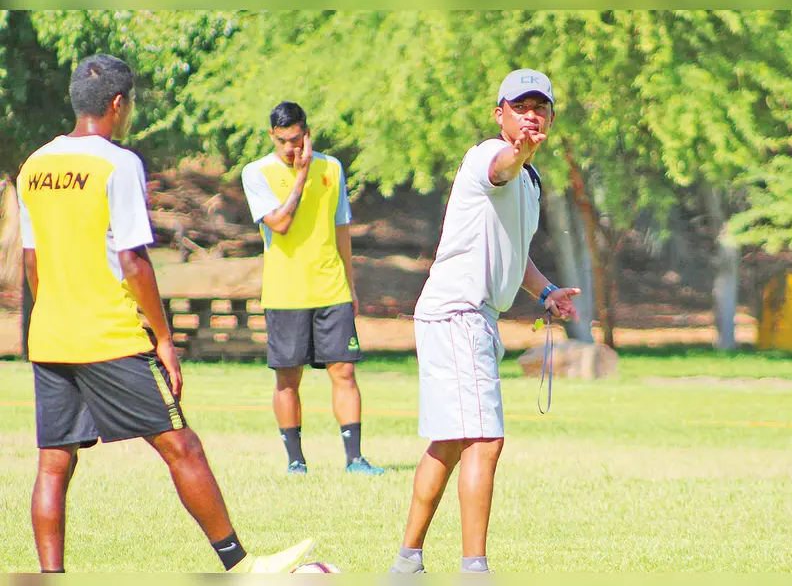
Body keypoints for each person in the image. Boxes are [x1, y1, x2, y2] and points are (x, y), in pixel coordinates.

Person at [15, 54, 314, 572]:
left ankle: (49, 577)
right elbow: (134, 261)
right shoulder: (119, 162)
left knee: (54, 463)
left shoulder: (34, 166)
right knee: (181, 445)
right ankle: (241, 568)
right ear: (117, 104)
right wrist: (164, 339)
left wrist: (52, 316)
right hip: (108, 335)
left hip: (51, 335)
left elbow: (31, 261)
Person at [389, 69, 580, 574]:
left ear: (552, 116)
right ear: (501, 114)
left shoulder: (532, 180)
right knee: (485, 439)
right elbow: (502, 166)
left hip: (467, 315)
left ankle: (407, 562)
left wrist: (546, 292)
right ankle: (475, 570)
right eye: (521, 106)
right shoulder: (487, 158)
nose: (531, 114)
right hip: (458, 312)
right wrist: (520, 151)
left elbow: (514, 252)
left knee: (451, 440)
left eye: (540, 106)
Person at [241, 102, 383, 476]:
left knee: (345, 372)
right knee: (288, 379)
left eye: (298, 139)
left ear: (308, 132)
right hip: (285, 293)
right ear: (272, 136)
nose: (292, 148)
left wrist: (350, 286)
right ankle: (296, 462)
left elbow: (341, 229)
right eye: (284, 140)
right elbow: (280, 224)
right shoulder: (256, 173)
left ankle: (354, 459)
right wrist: (301, 176)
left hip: (330, 288)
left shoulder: (332, 168)